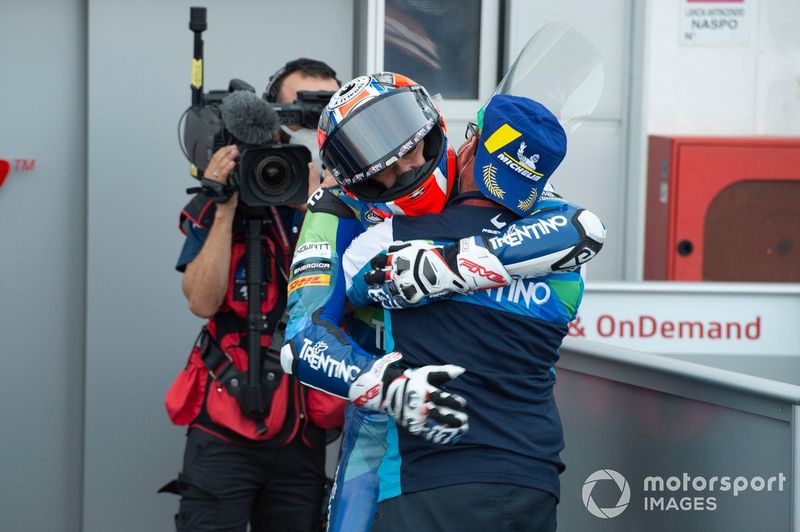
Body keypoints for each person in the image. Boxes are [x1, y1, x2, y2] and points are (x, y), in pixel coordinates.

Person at [281, 74, 605, 531]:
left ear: (436, 125)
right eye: (375, 161)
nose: (401, 165)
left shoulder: (490, 177)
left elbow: (583, 228)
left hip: (464, 457)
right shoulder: (336, 210)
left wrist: (447, 266)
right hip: (383, 419)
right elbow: (301, 339)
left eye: (407, 143)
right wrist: (386, 385)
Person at [162, 58, 347, 532]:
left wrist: (318, 209)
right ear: (269, 118)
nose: (308, 130)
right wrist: (225, 209)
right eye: (297, 115)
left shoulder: (353, 204)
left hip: (302, 424)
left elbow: (344, 300)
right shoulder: (228, 192)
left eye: (323, 117)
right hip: (223, 422)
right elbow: (201, 302)